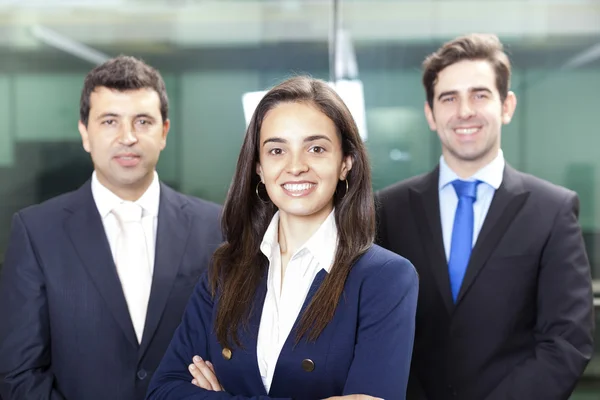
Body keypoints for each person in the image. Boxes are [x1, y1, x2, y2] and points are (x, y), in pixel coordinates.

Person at [146, 76, 419, 400]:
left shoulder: (385, 277)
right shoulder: (226, 268)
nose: (296, 166)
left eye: (316, 148)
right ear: (259, 167)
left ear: (346, 162)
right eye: (277, 150)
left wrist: (221, 396)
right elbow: (164, 391)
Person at [375, 33, 594, 400]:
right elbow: (374, 331)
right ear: (430, 114)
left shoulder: (553, 210)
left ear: (507, 106)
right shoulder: (388, 209)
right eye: (449, 98)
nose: (464, 111)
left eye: (480, 95)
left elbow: (566, 342)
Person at [0, 55, 223, 400]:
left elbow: (238, 350)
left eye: (143, 121)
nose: (128, 137)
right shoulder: (37, 232)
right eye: (109, 121)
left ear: (164, 132)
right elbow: (20, 372)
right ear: (85, 133)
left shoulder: (215, 228)